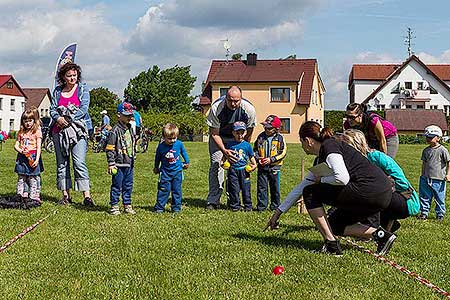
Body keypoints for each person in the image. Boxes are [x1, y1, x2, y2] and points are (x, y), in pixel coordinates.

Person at [267, 121, 396, 256]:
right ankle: (381, 236)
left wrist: (321, 180)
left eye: (301, 142)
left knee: (311, 193)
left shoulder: (330, 146)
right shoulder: (323, 155)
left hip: (371, 190)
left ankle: (331, 245)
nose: (302, 146)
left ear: (308, 141)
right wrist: (277, 213)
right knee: (333, 224)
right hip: (381, 194)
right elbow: (302, 185)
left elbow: (341, 178)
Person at [341, 129, 420, 232]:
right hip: (385, 197)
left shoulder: (376, 157)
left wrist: (382, 185)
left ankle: (372, 228)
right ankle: (383, 224)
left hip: (405, 199)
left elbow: (402, 183)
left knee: (369, 192)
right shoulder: (353, 162)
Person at [49, 62, 94, 206]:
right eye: (69, 76)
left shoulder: (82, 89)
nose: (72, 78)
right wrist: (58, 118)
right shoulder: (57, 91)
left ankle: (87, 196)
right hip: (59, 131)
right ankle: (65, 195)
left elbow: (84, 108)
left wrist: (69, 119)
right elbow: (52, 109)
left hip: (78, 130)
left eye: (75, 75)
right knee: (62, 164)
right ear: (63, 77)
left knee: (79, 162)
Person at [206, 86, 256, 210]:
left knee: (236, 168)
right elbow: (214, 133)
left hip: (238, 138)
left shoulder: (249, 109)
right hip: (219, 137)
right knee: (216, 165)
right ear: (225, 98)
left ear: (241, 98)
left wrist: (243, 148)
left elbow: (249, 132)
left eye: (236, 101)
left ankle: (233, 200)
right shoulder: (216, 108)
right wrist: (225, 151)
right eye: (230, 100)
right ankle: (213, 200)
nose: (233, 104)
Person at [106, 102, 136, 215]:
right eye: (126, 115)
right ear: (119, 115)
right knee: (117, 186)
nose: (130, 117)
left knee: (128, 185)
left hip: (129, 163)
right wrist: (111, 163)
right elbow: (109, 148)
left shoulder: (130, 128)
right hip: (118, 164)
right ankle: (114, 205)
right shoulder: (114, 131)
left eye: (130, 115)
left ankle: (127, 205)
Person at [153, 123, 190, 213]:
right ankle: (159, 207)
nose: (172, 140)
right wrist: (156, 167)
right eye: (169, 139)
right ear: (164, 137)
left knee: (177, 191)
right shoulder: (161, 147)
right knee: (163, 190)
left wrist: (187, 162)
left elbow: (183, 152)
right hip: (165, 172)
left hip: (177, 172)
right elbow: (157, 157)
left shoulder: (179, 144)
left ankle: (176, 208)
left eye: (174, 138)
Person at [253, 115, 287, 211]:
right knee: (261, 187)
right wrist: (258, 158)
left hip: (274, 167)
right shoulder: (260, 137)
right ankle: (261, 206)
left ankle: (275, 206)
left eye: (269, 128)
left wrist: (271, 159)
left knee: (275, 188)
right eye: (265, 127)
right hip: (262, 166)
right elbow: (255, 149)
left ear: (276, 129)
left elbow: (283, 152)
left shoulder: (280, 138)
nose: (266, 129)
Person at [222, 121, 257, 212]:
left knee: (246, 190)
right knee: (234, 189)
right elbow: (225, 156)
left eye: (242, 133)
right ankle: (235, 206)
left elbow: (252, 157)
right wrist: (223, 163)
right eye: (237, 133)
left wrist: (254, 165)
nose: (240, 135)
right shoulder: (230, 144)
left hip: (244, 171)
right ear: (233, 133)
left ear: (245, 133)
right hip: (233, 170)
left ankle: (248, 206)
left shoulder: (247, 145)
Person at [418, 125, 450, 221]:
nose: (428, 139)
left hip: (439, 179)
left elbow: (449, 162)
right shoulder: (426, 151)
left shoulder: (442, 150)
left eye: (431, 137)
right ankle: (424, 213)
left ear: (438, 138)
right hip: (426, 178)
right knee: (424, 196)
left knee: (439, 197)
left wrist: (448, 174)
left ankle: (440, 214)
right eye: (427, 137)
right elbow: (424, 163)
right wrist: (422, 175)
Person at [14, 107, 44, 204]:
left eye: (30, 120)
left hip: (33, 156)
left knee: (33, 177)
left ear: (34, 121)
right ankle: (20, 195)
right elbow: (16, 145)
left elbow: (39, 147)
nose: (28, 123)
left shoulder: (37, 132)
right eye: (25, 121)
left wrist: (37, 159)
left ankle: (33, 196)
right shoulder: (21, 132)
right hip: (22, 157)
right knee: (21, 177)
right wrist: (20, 150)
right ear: (22, 121)